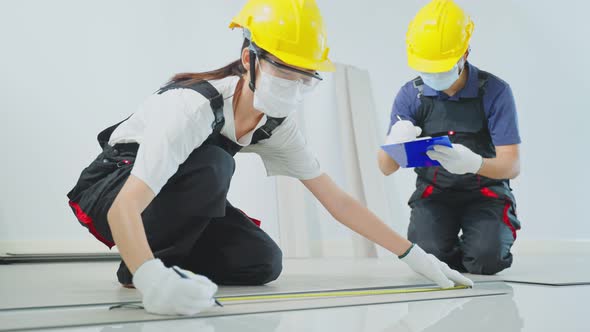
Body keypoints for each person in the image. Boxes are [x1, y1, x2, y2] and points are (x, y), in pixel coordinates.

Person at [67, 0, 472, 316]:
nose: (294, 86)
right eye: (284, 71)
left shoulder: (276, 125)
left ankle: (157, 260)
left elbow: (339, 202)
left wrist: (414, 256)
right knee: (215, 165)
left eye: (306, 77)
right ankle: (142, 266)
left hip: (168, 197)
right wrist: (151, 278)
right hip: (114, 187)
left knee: (262, 262)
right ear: (249, 60)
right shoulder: (193, 107)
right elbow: (126, 207)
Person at [378, 0, 521, 276]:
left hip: (486, 193)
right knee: (430, 263)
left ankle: (478, 245)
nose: (433, 74)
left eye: (441, 65)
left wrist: (474, 163)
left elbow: (511, 166)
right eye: (425, 66)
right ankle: (449, 248)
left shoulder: (495, 91)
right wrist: (395, 142)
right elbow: (385, 168)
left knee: (486, 261)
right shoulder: (411, 95)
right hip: (435, 194)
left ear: (464, 53)